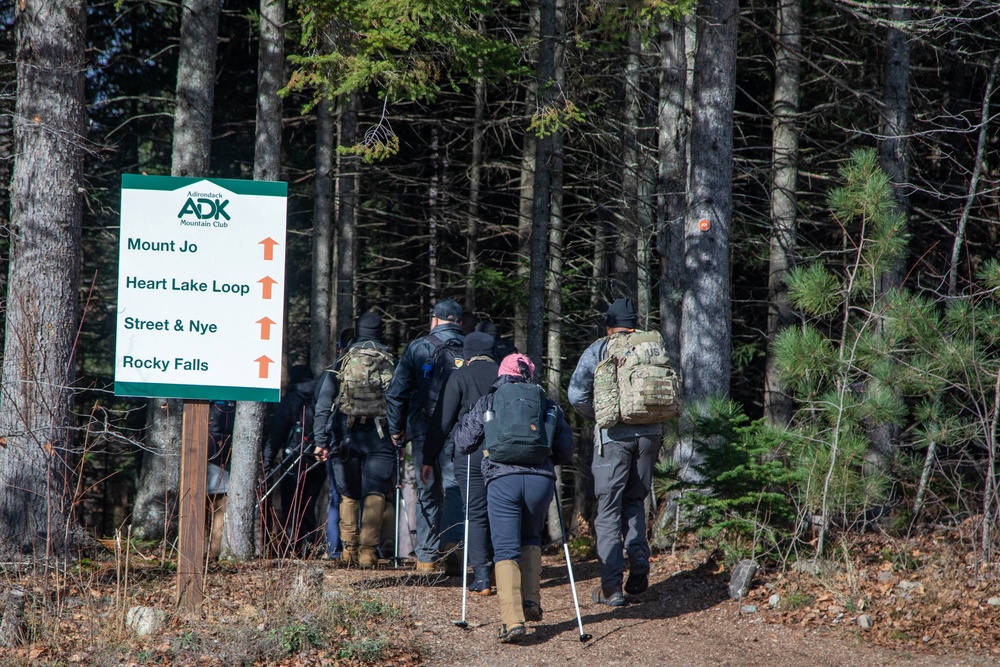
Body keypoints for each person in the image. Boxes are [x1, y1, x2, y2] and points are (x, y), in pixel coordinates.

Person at [453, 353, 575, 642]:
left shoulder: (489, 400)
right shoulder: (546, 402)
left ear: (502, 373)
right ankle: (531, 602)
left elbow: (463, 442)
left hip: (502, 479)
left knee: (506, 548)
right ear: (529, 374)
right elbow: (566, 448)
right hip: (540, 481)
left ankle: (512, 621)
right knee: (531, 537)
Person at [568, 297, 662, 606]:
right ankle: (639, 561)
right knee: (635, 500)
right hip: (650, 434)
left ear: (609, 326)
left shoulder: (599, 348)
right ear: (634, 323)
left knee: (608, 510)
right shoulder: (650, 345)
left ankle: (611, 588)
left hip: (613, 438)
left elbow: (576, 394)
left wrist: (598, 415)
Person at [385, 299, 466, 573]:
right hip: (461, 431)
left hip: (423, 428)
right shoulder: (470, 348)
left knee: (427, 487)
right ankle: (454, 546)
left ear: (434, 320)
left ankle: (427, 557)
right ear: (460, 323)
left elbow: (397, 391)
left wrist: (396, 428)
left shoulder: (419, 347)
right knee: (455, 486)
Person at [313, 312, 396, 568]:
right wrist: (399, 432)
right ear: (381, 332)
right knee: (375, 491)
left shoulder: (341, 361)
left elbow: (323, 401)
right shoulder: (392, 362)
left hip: (345, 434)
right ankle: (368, 551)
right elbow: (400, 400)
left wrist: (320, 439)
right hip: (381, 436)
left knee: (349, 493)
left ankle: (348, 549)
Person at [424, 331, 499, 593]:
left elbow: (442, 421)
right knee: (500, 512)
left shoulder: (460, 376)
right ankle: (504, 570)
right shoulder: (506, 376)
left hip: (471, 452)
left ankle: (481, 576)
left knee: (475, 512)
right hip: (504, 453)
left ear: (468, 353)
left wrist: (427, 457)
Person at [262, 365, 325, 557]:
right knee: (309, 503)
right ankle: (310, 546)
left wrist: (267, 460)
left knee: (292, 504)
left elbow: (278, 432)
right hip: (317, 458)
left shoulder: (290, 400)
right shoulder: (321, 398)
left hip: (293, 459)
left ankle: (296, 546)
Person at [206, 400, 235, 559]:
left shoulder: (206, 405)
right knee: (219, 518)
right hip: (225, 471)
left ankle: (201, 553)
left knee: (202, 516)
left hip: (204, 470)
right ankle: (213, 554)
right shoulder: (234, 405)